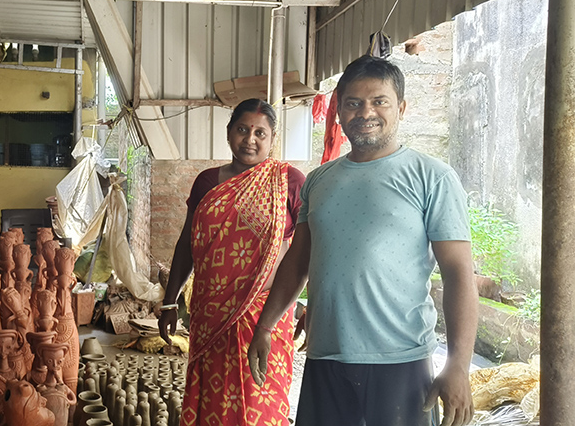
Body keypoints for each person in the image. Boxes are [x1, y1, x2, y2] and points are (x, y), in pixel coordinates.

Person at [247, 55, 478, 426]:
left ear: (400, 107)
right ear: (338, 111)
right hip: (326, 361)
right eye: (353, 103)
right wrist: (266, 325)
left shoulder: (431, 177)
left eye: (379, 101)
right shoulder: (319, 181)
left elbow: (458, 274)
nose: (365, 112)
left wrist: (458, 365)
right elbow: (298, 261)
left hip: (400, 362)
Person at [158, 98, 306, 426]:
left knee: (261, 401)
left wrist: (312, 304)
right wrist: (170, 302)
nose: (250, 139)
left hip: (267, 315)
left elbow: (310, 250)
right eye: (242, 129)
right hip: (212, 313)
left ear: (272, 139)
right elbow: (187, 245)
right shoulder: (207, 183)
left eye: (260, 133)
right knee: (213, 402)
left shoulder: (289, 182)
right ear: (228, 133)